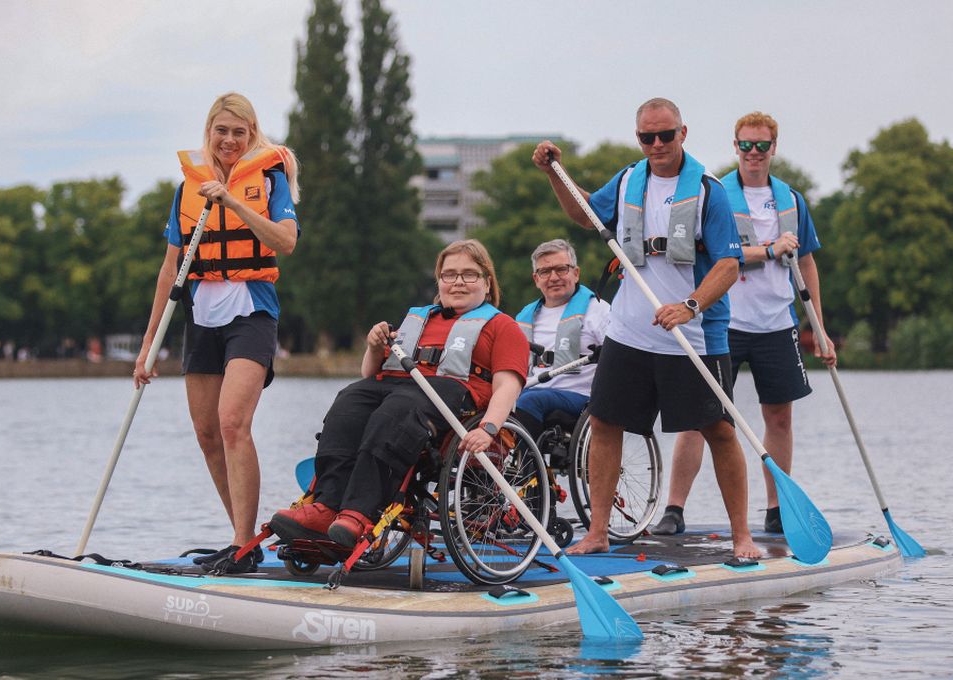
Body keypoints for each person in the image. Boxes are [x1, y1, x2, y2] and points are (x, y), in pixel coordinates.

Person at [532, 97, 761, 559]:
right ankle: (597, 531)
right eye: (646, 137)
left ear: (683, 133)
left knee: (718, 431)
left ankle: (743, 537)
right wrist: (555, 173)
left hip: (692, 337)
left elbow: (730, 266)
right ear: (638, 138)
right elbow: (584, 213)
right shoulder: (626, 181)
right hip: (629, 333)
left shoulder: (711, 192)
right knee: (605, 422)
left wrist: (690, 305)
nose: (657, 145)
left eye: (665, 135)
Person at [133, 92, 301, 574]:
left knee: (232, 424)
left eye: (239, 132)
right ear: (208, 134)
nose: (229, 141)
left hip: (251, 312)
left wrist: (232, 201)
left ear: (251, 136)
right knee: (207, 434)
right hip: (201, 317)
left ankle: (243, 544)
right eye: (220, 131)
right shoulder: (187, 188)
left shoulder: (269, 180)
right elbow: (169, 271)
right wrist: (147, 348)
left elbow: (285, 242)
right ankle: (241, 542)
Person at [269, 239, 529, 549]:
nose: (458, 281)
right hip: (395, 387)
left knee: (398, 408)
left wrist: (489, 427)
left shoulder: (503, 327)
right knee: (349, 402)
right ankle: (327, 505)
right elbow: (370, 373)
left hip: (451, 397)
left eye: (469, 274)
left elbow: (508, 385)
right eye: (449, 274)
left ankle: (360, 513)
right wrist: (374, 346)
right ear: (439, 281)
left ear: (487, 283)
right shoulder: (419, 318)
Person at [654, 111, 837, 537]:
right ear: (734, 147)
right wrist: (770, 250)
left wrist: (820, 329)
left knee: (779, 419)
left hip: (777, 323)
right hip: (723, 322)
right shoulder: (714, 193)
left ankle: (776, 510)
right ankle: (674, 509)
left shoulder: (791, 199)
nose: (753, 153)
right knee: (701, 419)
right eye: (745, 145)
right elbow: (723, 255)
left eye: (761, 145)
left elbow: (806, 262)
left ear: (774, 148)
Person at [513, 239, 609, 438]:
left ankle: (523, 467)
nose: (553, 277)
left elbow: (618, 357)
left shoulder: (598, 310)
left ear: (576, 273)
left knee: (530, 400)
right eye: (545, 272)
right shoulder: (524, 317)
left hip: (581, 398)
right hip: (531, 392)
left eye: (561, 269)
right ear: (536, 279)